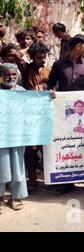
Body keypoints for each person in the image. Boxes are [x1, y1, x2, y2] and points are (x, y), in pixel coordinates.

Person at [46, 34, 84, 196]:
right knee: (67, 146)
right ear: (77, 46)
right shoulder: (58, 65)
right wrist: (47, 90)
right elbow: (49, 84)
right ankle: (67, 183)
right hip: (64, 114)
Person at [21, 42, 51, 193]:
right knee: (31, 151)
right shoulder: (25, 69)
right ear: (32, 57)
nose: (42, 59)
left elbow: (54, 87)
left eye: (44, 57)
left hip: (45, 116)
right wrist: (29, 46)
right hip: (29, 116)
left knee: (46, 148)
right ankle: (32, 180)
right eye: (39, 57)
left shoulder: (48, 71)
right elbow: (18, 56)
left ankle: (50, 179)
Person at [0, 63, 27, 212]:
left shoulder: (22, 91)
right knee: (1, 165)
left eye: (13, 74)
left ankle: (16, 197)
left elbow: (33, 109)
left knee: (18, 166)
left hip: (17, 136)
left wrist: (49, 96)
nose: (11, 77)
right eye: (7, 75)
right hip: (1, 138)